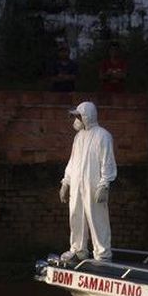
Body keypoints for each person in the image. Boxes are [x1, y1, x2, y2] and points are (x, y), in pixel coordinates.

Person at [60, 101, 117, 263]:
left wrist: (104, 184)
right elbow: (73, 161)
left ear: (87, 117)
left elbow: (107, 161)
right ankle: (78, 250)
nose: (76, 120)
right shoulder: (78, 137)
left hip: (93, 185)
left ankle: (102, 254)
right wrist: (66, 182)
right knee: (76, 216)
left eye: (78, 116)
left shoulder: (103, 136)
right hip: (77, 184)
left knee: (97, 218)